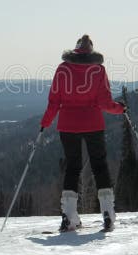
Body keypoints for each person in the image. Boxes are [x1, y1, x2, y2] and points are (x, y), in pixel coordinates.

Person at [41, 34, 127, 232]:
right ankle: (107, 213)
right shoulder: (98, 69)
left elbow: (54, 101)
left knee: (73, 167)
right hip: (93, 124)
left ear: (76, 49)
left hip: (68, 125)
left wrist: (44, 123)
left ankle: (69, 216)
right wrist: (120, 108)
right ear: (91, 50)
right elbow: (105, 103)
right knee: (100, 166)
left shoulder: (63, 69)